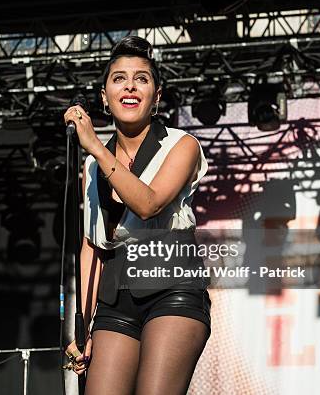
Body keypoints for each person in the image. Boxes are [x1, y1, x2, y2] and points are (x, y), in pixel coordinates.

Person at [64, 35, 211, 395]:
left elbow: (148, 204)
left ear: (156, 95)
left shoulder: (182, 145)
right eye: (119, 78)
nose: (130, 86)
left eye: (141, 78)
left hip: (172, 285)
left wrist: (97, 147)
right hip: (115, 299)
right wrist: (81, 329)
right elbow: (92, 247)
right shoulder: (91, 165)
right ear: (104, 96)